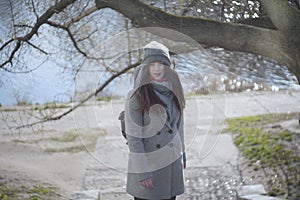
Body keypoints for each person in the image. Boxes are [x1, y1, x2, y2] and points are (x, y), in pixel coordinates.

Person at [125, 41, 186, 200]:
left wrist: (183, 155)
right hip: (149, 167)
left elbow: (179, 127)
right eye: (153, 64)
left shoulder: (175, 90)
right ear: (146, 67)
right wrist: (143, 172)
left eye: (161, 64)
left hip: (172, 164)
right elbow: (134, 138)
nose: (157, 69)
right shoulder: (137, 96)